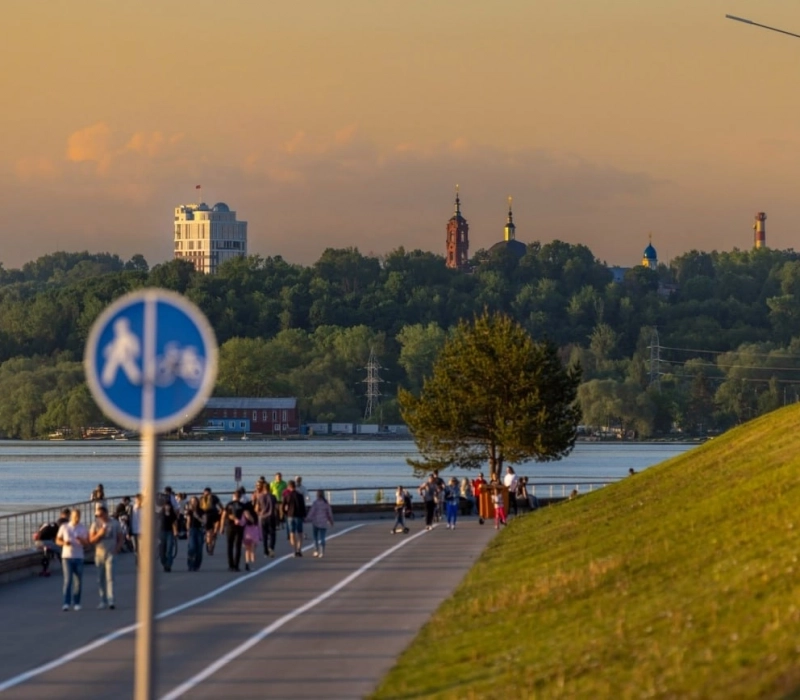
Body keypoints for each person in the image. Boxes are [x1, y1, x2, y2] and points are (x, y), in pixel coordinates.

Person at [89, 504, 123, 609]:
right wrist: (99, 534)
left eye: (101, 515)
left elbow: (120, 537)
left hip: (111, 553)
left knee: (110, 578)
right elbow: (91, 540)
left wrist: (117, 549)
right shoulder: (95, 524)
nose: (100, 517)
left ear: (106, 514)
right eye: (98, 516)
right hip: (99, 553)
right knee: (100, 578)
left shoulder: (115, 523)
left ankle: (111, 600)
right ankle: (102, 600)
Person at [55, 509, 90, 611]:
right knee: (68, 580)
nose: (77, 518)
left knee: (78, 581)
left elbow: (87, 544)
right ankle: (66, 602)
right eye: (75, 516)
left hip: (79, 556)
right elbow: (57, 540)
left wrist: (81, 540)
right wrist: (64, 543)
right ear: (71, 516)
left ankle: (77, 602)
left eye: (78, 516)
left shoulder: (83, 528)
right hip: (67, 556)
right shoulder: (64, 527)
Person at [221, 489, 246, 571]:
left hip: (230, 526)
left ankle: (230, 565)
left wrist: (221, 527)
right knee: (238, 546)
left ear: (234, 496)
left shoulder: (229, 504)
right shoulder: (243, 505)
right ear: (240, 497)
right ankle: (236, 565)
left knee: (230, 546)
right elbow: (246, 516)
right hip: (239, 527)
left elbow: (224, 515)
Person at [305, 490, 334, 558]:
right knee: (322, 537)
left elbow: (312, 512)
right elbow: (329, 513)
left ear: (317, 495)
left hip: (315, 522)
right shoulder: (326, 503)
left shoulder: (315, 503)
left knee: (315, 537)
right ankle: (322, 552)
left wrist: (307, 519)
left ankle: (316, 551)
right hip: (323, 523)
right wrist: (331, 521)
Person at [254, 477, 277, 558]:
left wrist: (259, 513)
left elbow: (256, 509)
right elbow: (276, 507)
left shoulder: (260, 497)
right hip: (271, 516)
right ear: (269, 488)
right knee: (272, 533)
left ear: (263, 488)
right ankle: (271, 547)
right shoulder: (273, 497)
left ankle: (265, 551)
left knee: (264, 535)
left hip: (263, 517)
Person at [283, 480, 307, 557]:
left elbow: (283, 507)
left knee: (292, 533)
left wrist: (285, 513)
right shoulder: (300, 496)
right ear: (295, 486)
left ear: (289, 487)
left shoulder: (287, 496)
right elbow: (303, 507)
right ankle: (299, 549)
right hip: (299, 516)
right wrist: (304, 516)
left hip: (290, 515)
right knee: (300, 533)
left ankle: (294, 550)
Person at [199, 487, 222, 554]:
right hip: (214, 514)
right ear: (211, 492)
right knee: (217, 522)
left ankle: (209, 543)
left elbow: (198, 508)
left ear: (204, 492)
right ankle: (215, 533)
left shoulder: (201, 498)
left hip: (206, 516)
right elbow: (220, 506)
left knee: (208, 530)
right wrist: (221, 511)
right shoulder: (214, 497)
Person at [185, 496, 205, 571]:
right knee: (192, 548)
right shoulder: (189, 511)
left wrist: (198, 517)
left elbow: (204, 521)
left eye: (195, 501)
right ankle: (190, 565)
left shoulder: (201, 511)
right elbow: (188, 521)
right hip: (192, 530)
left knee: (199, 549)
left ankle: (197, 565)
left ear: (197, 502)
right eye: (192, 501)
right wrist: (188, 530)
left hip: (200, 530)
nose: (193, 503)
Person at [158, 501, 179, 572]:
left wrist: (175, 531)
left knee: (169, 550)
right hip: (161, 533)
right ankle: (164, 563)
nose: (167, 507)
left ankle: (168, 565)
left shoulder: (172, 514)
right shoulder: (160, 514)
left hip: (170, 532)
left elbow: (174, 523)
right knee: (162, 551)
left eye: (169, 505)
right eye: (166, 505)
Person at [130, 493, 143, 562]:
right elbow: (129, 519)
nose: (137, 500)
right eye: (136, 499)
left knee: (141, 548)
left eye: (138, 499)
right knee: (135, 547)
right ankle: (137, 560)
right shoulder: (132, 508)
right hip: (134, 530)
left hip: (142, 530)